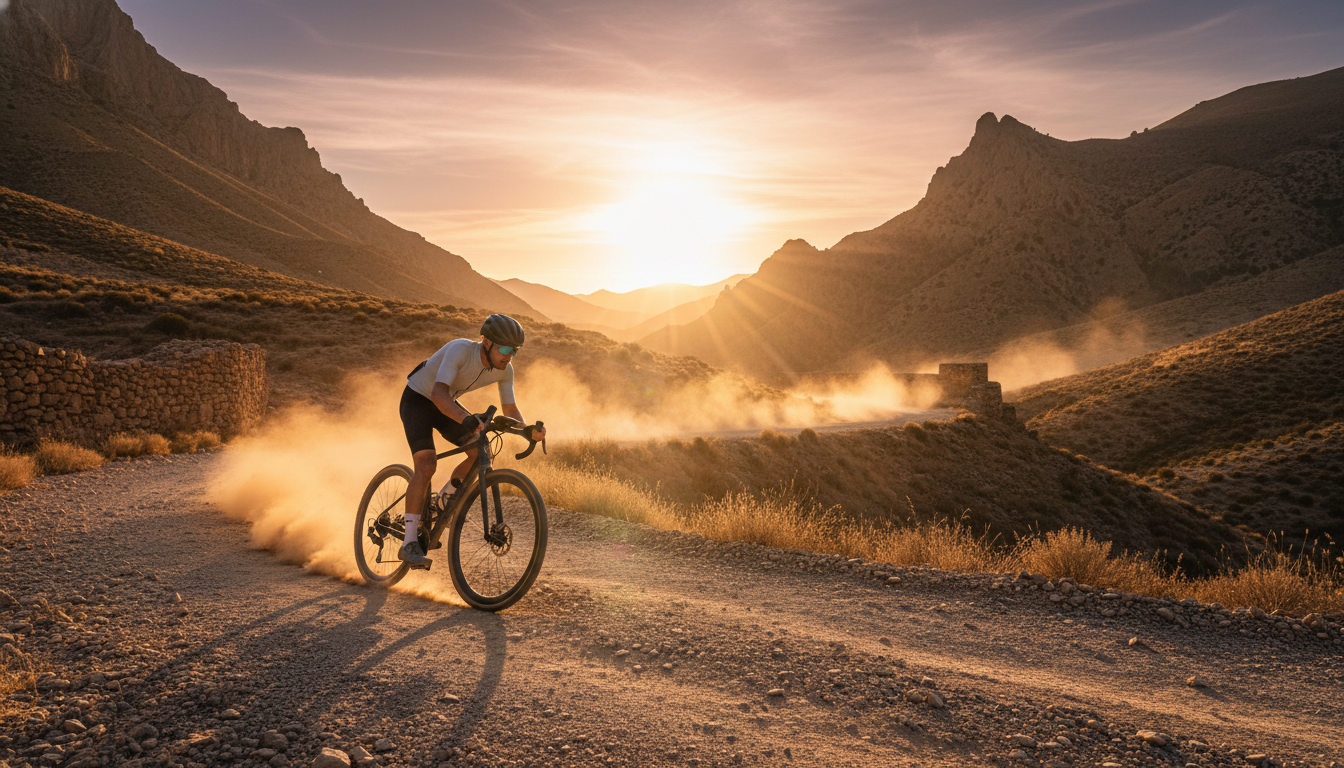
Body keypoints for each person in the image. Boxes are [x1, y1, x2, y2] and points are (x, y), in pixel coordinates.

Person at [396, 314, 545, 567]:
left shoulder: (505, 370)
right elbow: (438, 393)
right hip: (418, 400)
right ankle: (409, 542)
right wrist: (464, 418)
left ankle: (441, 500)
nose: (509, 356)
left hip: (446, 403)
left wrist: (526, 430)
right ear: (486, 342)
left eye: (515, 351)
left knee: (481, 452)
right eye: (505, 349)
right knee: (427, 464)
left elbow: (510, 409)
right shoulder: (460, 350)